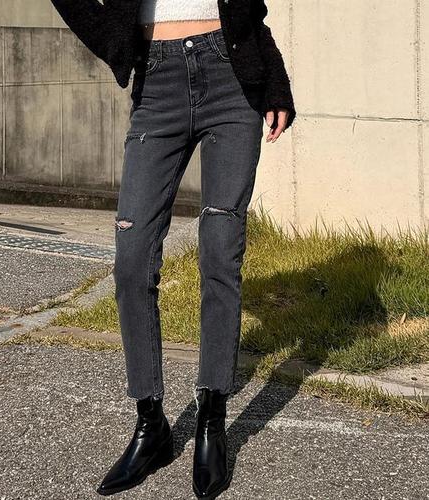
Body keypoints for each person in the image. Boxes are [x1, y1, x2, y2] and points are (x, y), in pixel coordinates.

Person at [51, 0, 296, 497]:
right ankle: (151, 424)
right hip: (157, 81)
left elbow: (252, 12)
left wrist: (276, 81)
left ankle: (211, 420)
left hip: (231, 80)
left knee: (220, 252)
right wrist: (115, 41)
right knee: (132, 259)